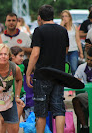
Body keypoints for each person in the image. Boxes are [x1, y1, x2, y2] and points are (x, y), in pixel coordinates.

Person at [26, 5, 69, 133]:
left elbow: (35, 54)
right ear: (52, 15)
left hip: (43, 74)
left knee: (41, 111)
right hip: (59, 74)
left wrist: (28, 73)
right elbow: (65, 50)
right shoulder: (63, 30)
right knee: (59, 108)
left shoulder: (39, 31)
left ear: (39, 17)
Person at [72, 47, 92, 133]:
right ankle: (85, 127)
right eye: (87, 59)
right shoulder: (82, 67)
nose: (89, 62)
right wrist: (77, 81)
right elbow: (74, 80)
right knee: (75, 100)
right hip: (88, 94)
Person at [60, 10, 84, 96]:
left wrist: (81, 52)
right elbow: (58, 37)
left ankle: (75, 88)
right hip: (64, 51)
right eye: (63, 16)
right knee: (65, 70)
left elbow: (78, 40)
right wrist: (62, 25)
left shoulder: (74, 27)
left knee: (74, 69)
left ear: (69, 17)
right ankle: (65, 88)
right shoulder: (60, 27)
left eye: (66, 16)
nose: (64, 18)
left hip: (73, 50)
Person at [10, 46, 26, 120]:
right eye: (20, 56)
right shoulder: (7, 66)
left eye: (23, 56)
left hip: (19, 95)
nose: (22, 58)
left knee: (16, 119)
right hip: (9, 96)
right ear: (13, 56)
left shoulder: (21, 67)